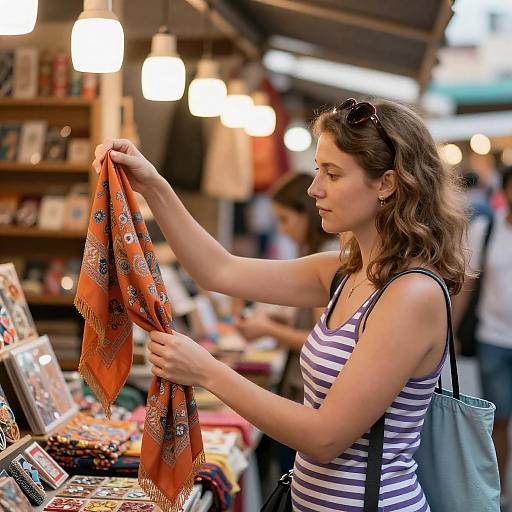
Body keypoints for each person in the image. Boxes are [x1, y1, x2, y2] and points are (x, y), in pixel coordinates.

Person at [93, 97, 467, 511]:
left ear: (387, 184)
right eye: (318, 170)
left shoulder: (411, 295)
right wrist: (153, 184)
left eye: (333, 174)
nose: (314, 188)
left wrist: (208, 372)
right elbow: (219, 271)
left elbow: (325, 437)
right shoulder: (343, 273)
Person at [236, 172, 338, 478]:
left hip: (306, 398)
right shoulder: (318, 253)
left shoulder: (328, 258)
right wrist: (280, 319)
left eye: (285, 219)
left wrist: (269, 330)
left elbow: (321, 339)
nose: (282, 229)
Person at [453, 166, 512, 508]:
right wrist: (453, 329)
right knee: (498, 420)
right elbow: (467, 284)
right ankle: (500, 494)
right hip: (493, 338)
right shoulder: (485, 229)